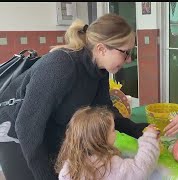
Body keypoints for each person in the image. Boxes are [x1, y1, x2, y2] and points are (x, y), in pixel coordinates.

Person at [0, 13, 149, 180]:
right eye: (125, 52)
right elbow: (27, 126)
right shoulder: (61, 65)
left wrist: (140, 130)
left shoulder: (98, 71)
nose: (129, 59)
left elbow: (106, 112)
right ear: (101, 49)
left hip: (46, 128)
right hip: (15, 131)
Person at [56, 106, 160, 180]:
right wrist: (149, 138)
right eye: (113, 130)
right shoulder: (110, 167)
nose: (116, 133)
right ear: (101, 139)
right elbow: (140, 170)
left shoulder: (68, 169)